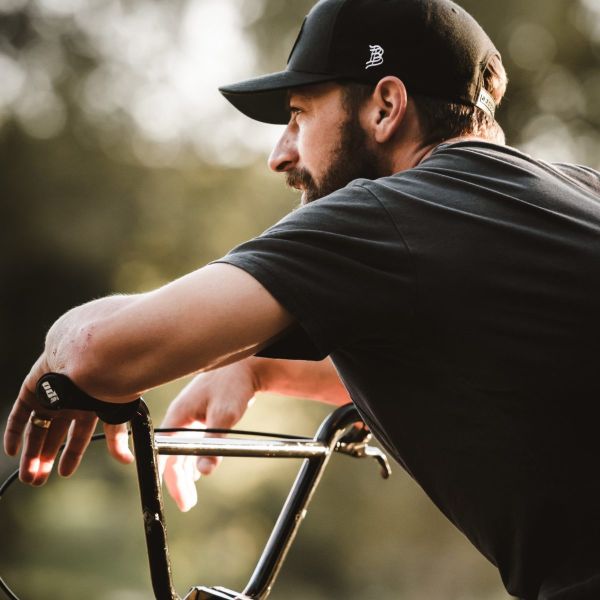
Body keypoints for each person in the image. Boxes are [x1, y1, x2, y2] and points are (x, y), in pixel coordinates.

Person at [4, 0, 600, 597]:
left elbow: (94, 354)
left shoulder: (390, 212)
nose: (280, 154)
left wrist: (62, 343)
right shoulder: (576, 191)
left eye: (298, 115)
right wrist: (256, 367)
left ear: (385, 108)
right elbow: (494, 363)